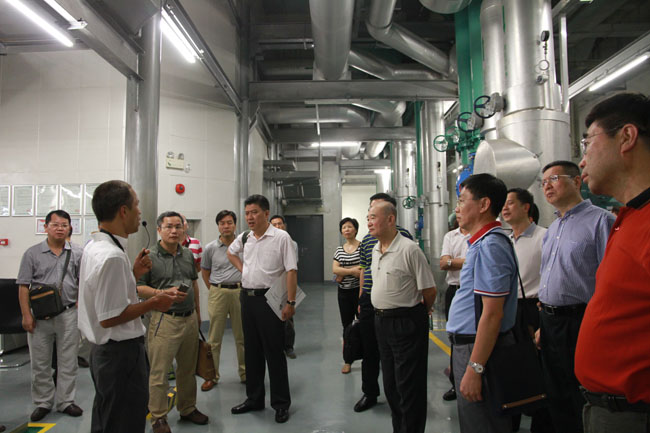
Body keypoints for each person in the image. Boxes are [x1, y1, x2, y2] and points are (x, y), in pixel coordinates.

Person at [576, 93, 650, 433]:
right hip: (611, 409)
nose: (582, 161)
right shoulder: (629, 217)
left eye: (588, 142)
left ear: (627, 137)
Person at [77, 180, 175, 433]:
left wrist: (133, 273)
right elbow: (109, 317)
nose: (139, 212)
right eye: (136, 205)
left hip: (105, 354)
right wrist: (154, 302)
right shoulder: (111, 256)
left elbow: (108, 296)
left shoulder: (95, 247)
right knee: (124, 422)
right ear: (123, 211)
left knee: (108, 417)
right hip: (120, 356)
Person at [537, 160, 615, 433]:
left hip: (581, 320)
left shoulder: (601, 221)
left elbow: (611, 279)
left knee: (579, 392)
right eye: (543, 182)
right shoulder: (552, 229)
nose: (547, 186)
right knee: (555, 393)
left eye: (554, 179)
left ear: (577, 181)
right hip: (549, 321)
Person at [446, 173, 518, 433]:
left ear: (484, 204)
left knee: (482, 424)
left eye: (462, 200)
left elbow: (492, 314)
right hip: (470, 346)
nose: (457, 208)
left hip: (479, 349)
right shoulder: (480, 243)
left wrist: (475, 368)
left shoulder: (491, 246)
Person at [136, 211, 209, 433]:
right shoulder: (149, 256)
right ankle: (158, 417)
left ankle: (187, 408)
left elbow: (194, 284)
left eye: (178, 226)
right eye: (169, 227)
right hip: (164, 320)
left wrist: (198, 313)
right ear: (159, 230)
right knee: (159, 372)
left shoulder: (187, 255)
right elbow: (138, 287)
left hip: (189, 318)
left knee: (187, 369)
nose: (174, 231)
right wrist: (162, 293)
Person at [228, 195, 298, 424]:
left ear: (266, 213)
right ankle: (254, 399)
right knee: (252, 352)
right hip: (247, 299)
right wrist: (244, 269)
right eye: (247, 213)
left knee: (274, 352)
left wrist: (290, 302)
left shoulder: (281, 237)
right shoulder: (245, 237)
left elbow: (291, 270)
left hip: (270, 300)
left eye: (254, 212)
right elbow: (230, 252)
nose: (250, 217)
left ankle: (281, 403)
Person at [369, 200, 437, 433]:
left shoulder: (409, 249)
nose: (369, 222)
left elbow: (429, 290)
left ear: (390, 219)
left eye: (373, 217)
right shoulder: (375, 250)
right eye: (368, 218)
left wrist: (417, 313)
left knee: (409, 386)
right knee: (391, 385)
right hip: (381, 322)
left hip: (406, 321)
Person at [17, 210, 84, 422]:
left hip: (68, 313)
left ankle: (66, 401)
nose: (60, 229)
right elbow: (23, 286)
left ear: (70, 228)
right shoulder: (32, 254)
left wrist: (81, 304)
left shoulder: (78, 252)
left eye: (64, 225)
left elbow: (83, 281)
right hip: (39, 316)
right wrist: (26, 315)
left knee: (68, 360)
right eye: (55, 225)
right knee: (40, 362)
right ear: (45, 227)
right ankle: (43, 402)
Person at [355, 192, 413, 413]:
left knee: (396, 354)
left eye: (376, 211)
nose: (371, 217)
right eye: (370, 211)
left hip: (396, 304)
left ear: (390, 214)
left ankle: (399, 395)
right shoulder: (367, 239)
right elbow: (363, 269)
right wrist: (361, 297)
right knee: (369, 350)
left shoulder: (404, 237)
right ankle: (370, 392)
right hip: (370, 300)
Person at [502, 188, 554, 433]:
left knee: (539, 369)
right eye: (503, 204)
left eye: (511, 203)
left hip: (534, 308)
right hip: (509, 308)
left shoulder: (544, 237)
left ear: (526, 207)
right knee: (511, 367)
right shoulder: (504, 240)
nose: (505, 208)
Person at [200, 210, 246, 392]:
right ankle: (211, 376)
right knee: (214, 338)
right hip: (218, 292)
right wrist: (213, 289)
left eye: (229, 222)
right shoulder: (210, 248)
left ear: (235, 224)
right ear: (218, 226)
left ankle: (245, 373)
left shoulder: (244, 245)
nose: (226, 226)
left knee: (242, 337)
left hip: (240, 292)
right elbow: (205, 271)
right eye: (222, 223)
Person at [439, 217, 470, 402]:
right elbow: (443, 263)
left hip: (472, 290)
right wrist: (465, 261)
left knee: (472, 337)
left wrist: (452, 261)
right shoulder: (450, 236)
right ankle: (455, 382)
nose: (460, 213)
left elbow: (475, 262)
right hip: (454, 290)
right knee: (454, 336)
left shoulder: (480, 236)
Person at [332, 217, 362, 374]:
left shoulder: (362, 247)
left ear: (355, 229)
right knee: (347, 326)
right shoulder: (339, 250)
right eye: (344, 227)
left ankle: (368, 357)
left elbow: (364, 268)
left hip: (361, 292)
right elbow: (335, 269)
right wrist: (352, 271)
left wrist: (343, 271)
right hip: (344, 293)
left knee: (365, 324)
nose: (347, 229)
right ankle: (348, 360)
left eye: (350, 227)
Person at [270, 215, 298, 359]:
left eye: (280, 224)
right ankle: (274, 346)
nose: (278, 226)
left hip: (285, 283)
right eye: (274, 224)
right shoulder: (267, 242)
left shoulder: (292, 243)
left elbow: (292, 266)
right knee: (270, 319)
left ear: (284, 225)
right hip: (269, 284)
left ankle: (288, 346)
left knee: (287, 317)